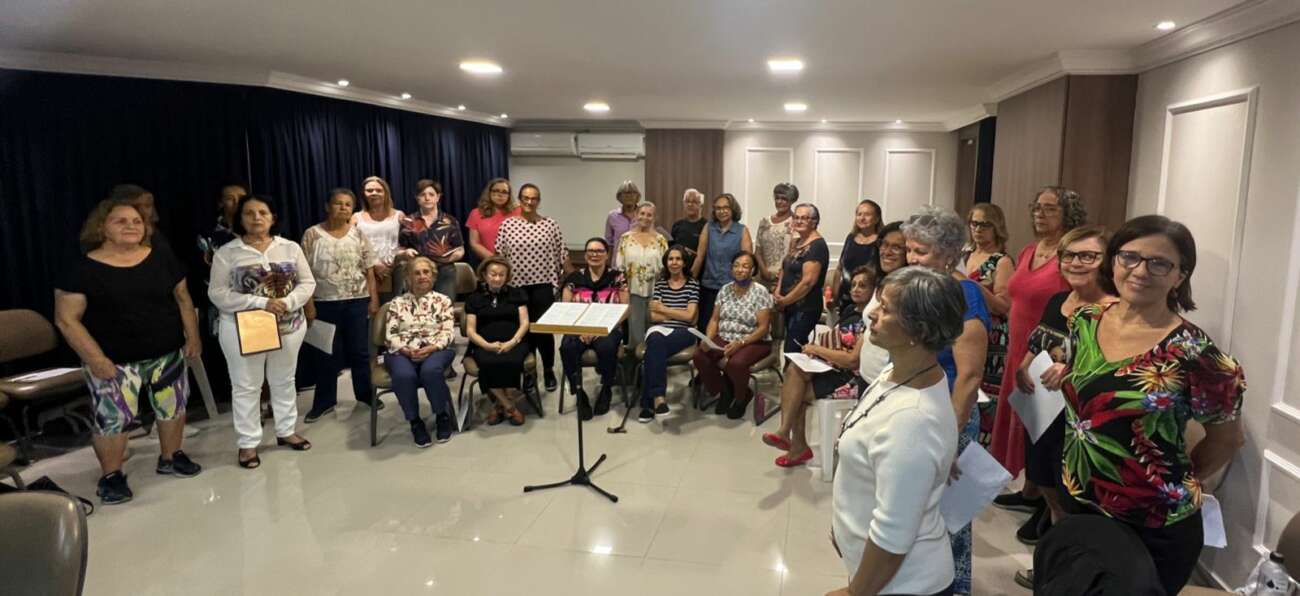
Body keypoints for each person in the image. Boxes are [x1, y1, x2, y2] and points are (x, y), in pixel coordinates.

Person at [1041, 215, 1245, 596]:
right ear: (1113, 261)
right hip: (1080, 502)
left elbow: (1228, 439)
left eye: (1159, 263)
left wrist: (1170, 485)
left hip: (1152, 523)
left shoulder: (1196, 354)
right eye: (1129, 257)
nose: (1140, 270)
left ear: (1180, 276)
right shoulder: (1086, 320)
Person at [827, 266, 967, 596]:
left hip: (905, 584)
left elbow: (893, 535)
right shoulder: (898, 371)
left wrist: (854, 593)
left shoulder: (912, 420)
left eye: (886, 309)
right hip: (880, 575)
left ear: (917, 329)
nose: (871, 314)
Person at [54, 198, 203, 505]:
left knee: (173, 407)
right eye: (120, 221)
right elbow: (66, 319)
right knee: (112, 420)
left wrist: (193, 336)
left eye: (136, 221)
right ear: (101, 227)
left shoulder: (161, 258)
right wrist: (95, 358)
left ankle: (170, 457)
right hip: (114, 361)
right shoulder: (83, 268)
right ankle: (112, 475)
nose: (131, 226)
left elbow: (183, 298)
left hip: (166, 353)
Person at [1011, 225, 1115, 589]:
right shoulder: (1059, 300)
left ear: (1107, 262)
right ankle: (1055, 570)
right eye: (1069, 255)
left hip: (1079, 423)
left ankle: (1073, 578)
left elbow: (1114, 368)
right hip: (1042, 411)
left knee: (1075, 501)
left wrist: (1071, 371)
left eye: (1087, 256)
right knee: (1049, 491)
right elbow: (1039, 338)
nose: (1075, 263)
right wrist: (1024, 364)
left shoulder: (1112, 311)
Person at [902, 206, 991, 596]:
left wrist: (950, 438)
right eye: (909, 249)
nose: (911, 258)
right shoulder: (924, 289)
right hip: (919, 412)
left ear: (949, 254)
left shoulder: (964, 294)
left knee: (948, 518)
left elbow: (969, 376)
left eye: (920, 251)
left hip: (949, 416)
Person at [989, 187, 1086, 537]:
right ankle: (1031, 492)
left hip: (1052, 354)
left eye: (1049, 208)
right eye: (1036, 207)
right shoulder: (1030, 250)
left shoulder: (1070, 257)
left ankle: (1048, 507)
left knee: (1044, 433)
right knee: (1026, 424)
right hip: (1022, 347)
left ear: (1068, 214)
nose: (1039, 214)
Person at [209, 195, 316, 469]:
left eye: (263, 212)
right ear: (240, 218)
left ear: (272, 217)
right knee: (246, 386)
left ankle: (286, 431)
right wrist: (261, 303)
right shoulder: (228, 253)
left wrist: (288, 303)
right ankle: (247, 444)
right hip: (244, 329)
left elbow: (307, 282)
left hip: (289, 327)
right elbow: (218, 293)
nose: (256, 218)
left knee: (284, 380)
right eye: (249, 213)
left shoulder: (289, 248)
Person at [763, 266, 876, 467]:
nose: (856, 289)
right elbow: (837, 341)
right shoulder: (849, 310)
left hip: (850, 377)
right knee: (793, 370)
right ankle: (789, 437)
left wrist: (818, 350)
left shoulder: (872, 320)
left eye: (863, 286)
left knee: (795, 392)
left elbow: (853, 360)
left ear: (874, 291)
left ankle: (792, 440)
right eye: (854, 285)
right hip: (831, 366)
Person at [301, 188, 380, 423]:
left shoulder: (358, 234)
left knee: (360, 351)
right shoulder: (312, 235)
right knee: (326, 353)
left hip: (357, 300)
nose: (343, 208)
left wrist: (373, 298)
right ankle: (324, 401)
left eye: (348, 204)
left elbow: (369, 270)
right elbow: (303, 273)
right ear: (328, 206)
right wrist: (309, 304)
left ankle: (365, 394)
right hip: (325, 303)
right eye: (338, 203)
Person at [496, 183, 566, 392]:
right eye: (525, 198)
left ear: (538, 201)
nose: (529, 202)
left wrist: (565, 282)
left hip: (543, 285)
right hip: (516, 287)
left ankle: (549, 369)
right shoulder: (507, 225)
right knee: (523, 332)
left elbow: (561, 253)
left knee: (543, 331)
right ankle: (529, 372)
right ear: (519, 199)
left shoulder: (550, 224)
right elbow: (499, 256)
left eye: (533, 198)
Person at [383, 257, 458, 446]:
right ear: (408, 277)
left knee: (430, 371)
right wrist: (407, 351)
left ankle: (442, 415)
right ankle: (415, 422)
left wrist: (432, 347)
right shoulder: (397, 303)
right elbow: (390, 335)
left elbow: (448, 332)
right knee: (403, 375)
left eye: (426, 272)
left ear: (433, 276)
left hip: (436, 348)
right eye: (416, 273)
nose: (422, 276)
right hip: (403, 350)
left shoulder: (443, 301)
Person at [692, 251, 773, 419]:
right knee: (700, 356)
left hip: (754, 340)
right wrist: (708, 339)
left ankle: (741, 397)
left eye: (745, 266)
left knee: (736, 363)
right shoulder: (724, 290)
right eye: (736, 265)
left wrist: (741, 343)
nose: (740, 269)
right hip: (724, 337)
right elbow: (714, 320)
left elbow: (763, 328)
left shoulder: (760, 291)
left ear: (752, 270)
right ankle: (724, 391)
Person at [559, 237, 629, 421]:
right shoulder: (573, 278)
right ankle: (579, 394)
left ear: (607, 255)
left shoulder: (617, 277)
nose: (594, 254)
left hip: (608, 327)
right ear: (585, 254)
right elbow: (565, 310)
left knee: (606, 347)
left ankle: (606, 389)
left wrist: (601, 329)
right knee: (567, 347)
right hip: (578, 328)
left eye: (599, 251)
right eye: (590, 251)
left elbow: (625, 308)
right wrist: (581, 331)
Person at [961, 203, 1012, 445]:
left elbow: (1003, 305)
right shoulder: (963, 255)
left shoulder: (1001, 261)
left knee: (986, 403)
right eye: (974, 223)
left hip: (992, 336)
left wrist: (973, 286)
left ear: (996, 227)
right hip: (962, 329)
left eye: (984, 224)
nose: (978, 229)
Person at [773, 203, 830, 409]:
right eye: (796, 217)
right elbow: (784, 269)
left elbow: (808, 282)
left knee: (792, 349)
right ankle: (792, 391)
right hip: (788, 305)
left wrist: (785, 300)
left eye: (804, 218)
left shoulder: (817, 246)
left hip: (805, 308)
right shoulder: (797, 242)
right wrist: (778, 292)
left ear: (814, 221)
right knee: (789, 348)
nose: (798, 221)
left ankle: (794, 395)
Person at [464, 256, 531, 427]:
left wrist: (512, 342)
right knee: (487, 362)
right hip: (484, 343)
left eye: (501, 275)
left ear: (507, 277)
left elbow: (524, 323)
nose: (497, 278)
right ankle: (509, 405)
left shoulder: (517, 294)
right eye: (493, 274)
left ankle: (498, 405)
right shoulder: (474, 298)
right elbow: (470, 330)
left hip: (514, 341)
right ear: (484, 275)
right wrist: (486, 345)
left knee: (512, 360)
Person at [637, 245, 700, 422]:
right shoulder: (660, 283)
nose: (674, 262)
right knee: (656, 342)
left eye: (678, 259)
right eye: (671, 259)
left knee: (654, 348)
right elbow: (653, 316)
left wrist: (664, 308)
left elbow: (689, 317)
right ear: (666, 262)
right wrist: (676, 312)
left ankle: (649, 403)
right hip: (659, 329)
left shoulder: (692, 284)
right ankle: (658, 399)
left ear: (684, 262)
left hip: (684, 331)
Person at [691, 193, 753, 334]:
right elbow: (699, 257)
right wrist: (691, 282)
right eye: (718, 208)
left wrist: (746, 289)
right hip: (709, 287)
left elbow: (747, 262)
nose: (722, 211)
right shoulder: (709, 227)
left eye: (726, 208)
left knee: (726, 329)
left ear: (733, 210)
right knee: (705, 327)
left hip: (733, 289)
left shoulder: (742, 230)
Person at [398, 178, 465, 298]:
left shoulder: (450, 221)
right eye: (422, 195)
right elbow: (400, 249)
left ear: (438, 197)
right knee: (416, 309)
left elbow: (460, 249)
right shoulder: (408, 221)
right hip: (417, 271)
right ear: (417, 198)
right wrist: (405, 253)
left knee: (443, 306)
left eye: (431, 194)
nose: (427, 198)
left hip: (444, 270)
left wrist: (449, 258)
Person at [616, 201, 668, 350]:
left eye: (649, 214)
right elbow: (620, 268)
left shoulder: (661, 240)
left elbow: (666, 268)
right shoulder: (625, 238)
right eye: (642, 213)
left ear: (654, 217)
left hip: (656, 293)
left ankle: (651, 366)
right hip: (633, 293)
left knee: (654, 332)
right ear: (636, 215)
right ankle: (635, 368)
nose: (645, 217)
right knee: (635, 334)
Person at [352, 175, 404, 300]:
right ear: (364, 194)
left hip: (395, 265)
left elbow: (406, 242)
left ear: (386, 193)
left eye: (378, 190)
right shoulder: (356, 217)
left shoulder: (399, 215)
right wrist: (374, 263)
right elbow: (353, 246)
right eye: (369, 190)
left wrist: (392, 263)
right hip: (366, 265)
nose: (374, 193)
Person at [832, 199, 882, 312]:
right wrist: (835, 296)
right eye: (859, 214)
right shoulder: (850, 238)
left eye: (867, 214)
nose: (862, 218)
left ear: (877, 218)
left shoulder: (881, 241)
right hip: (846, 297)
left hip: (869, 300)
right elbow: (839, 269)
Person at [755, 182, 797, 291]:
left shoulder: (796, 222)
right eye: (777, 198)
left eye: (784, 199)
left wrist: (781, 274)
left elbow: (795, 254)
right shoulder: (764, 222)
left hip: (786, 278)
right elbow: (758, 251)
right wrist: (764, 271)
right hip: (763, 277)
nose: (779, 201)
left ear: (792, 200)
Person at [465, 177, 520, 261]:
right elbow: (474, 243)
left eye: (504, 192)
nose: (500, 195)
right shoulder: (476, 213)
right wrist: (495, 259)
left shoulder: (518, 211)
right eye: (496, 190)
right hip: (489, 263)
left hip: (517, 261)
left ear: (509, 195)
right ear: (489, 193)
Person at [669, 188, 707, 273]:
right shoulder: (677, 225)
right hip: (678, 272)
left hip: (701, 275)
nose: (690, 204)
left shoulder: (707, 226)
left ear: (701, 205)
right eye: (687, 201)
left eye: (694, 202)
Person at [605, 180, 641, 248]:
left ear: (637, 196)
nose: (629, 196)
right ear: (619, 197)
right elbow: (609, 243)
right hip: (618, 257)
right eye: (625, 193)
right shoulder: (612, 216)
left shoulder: (644, 215)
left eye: (632, 193)